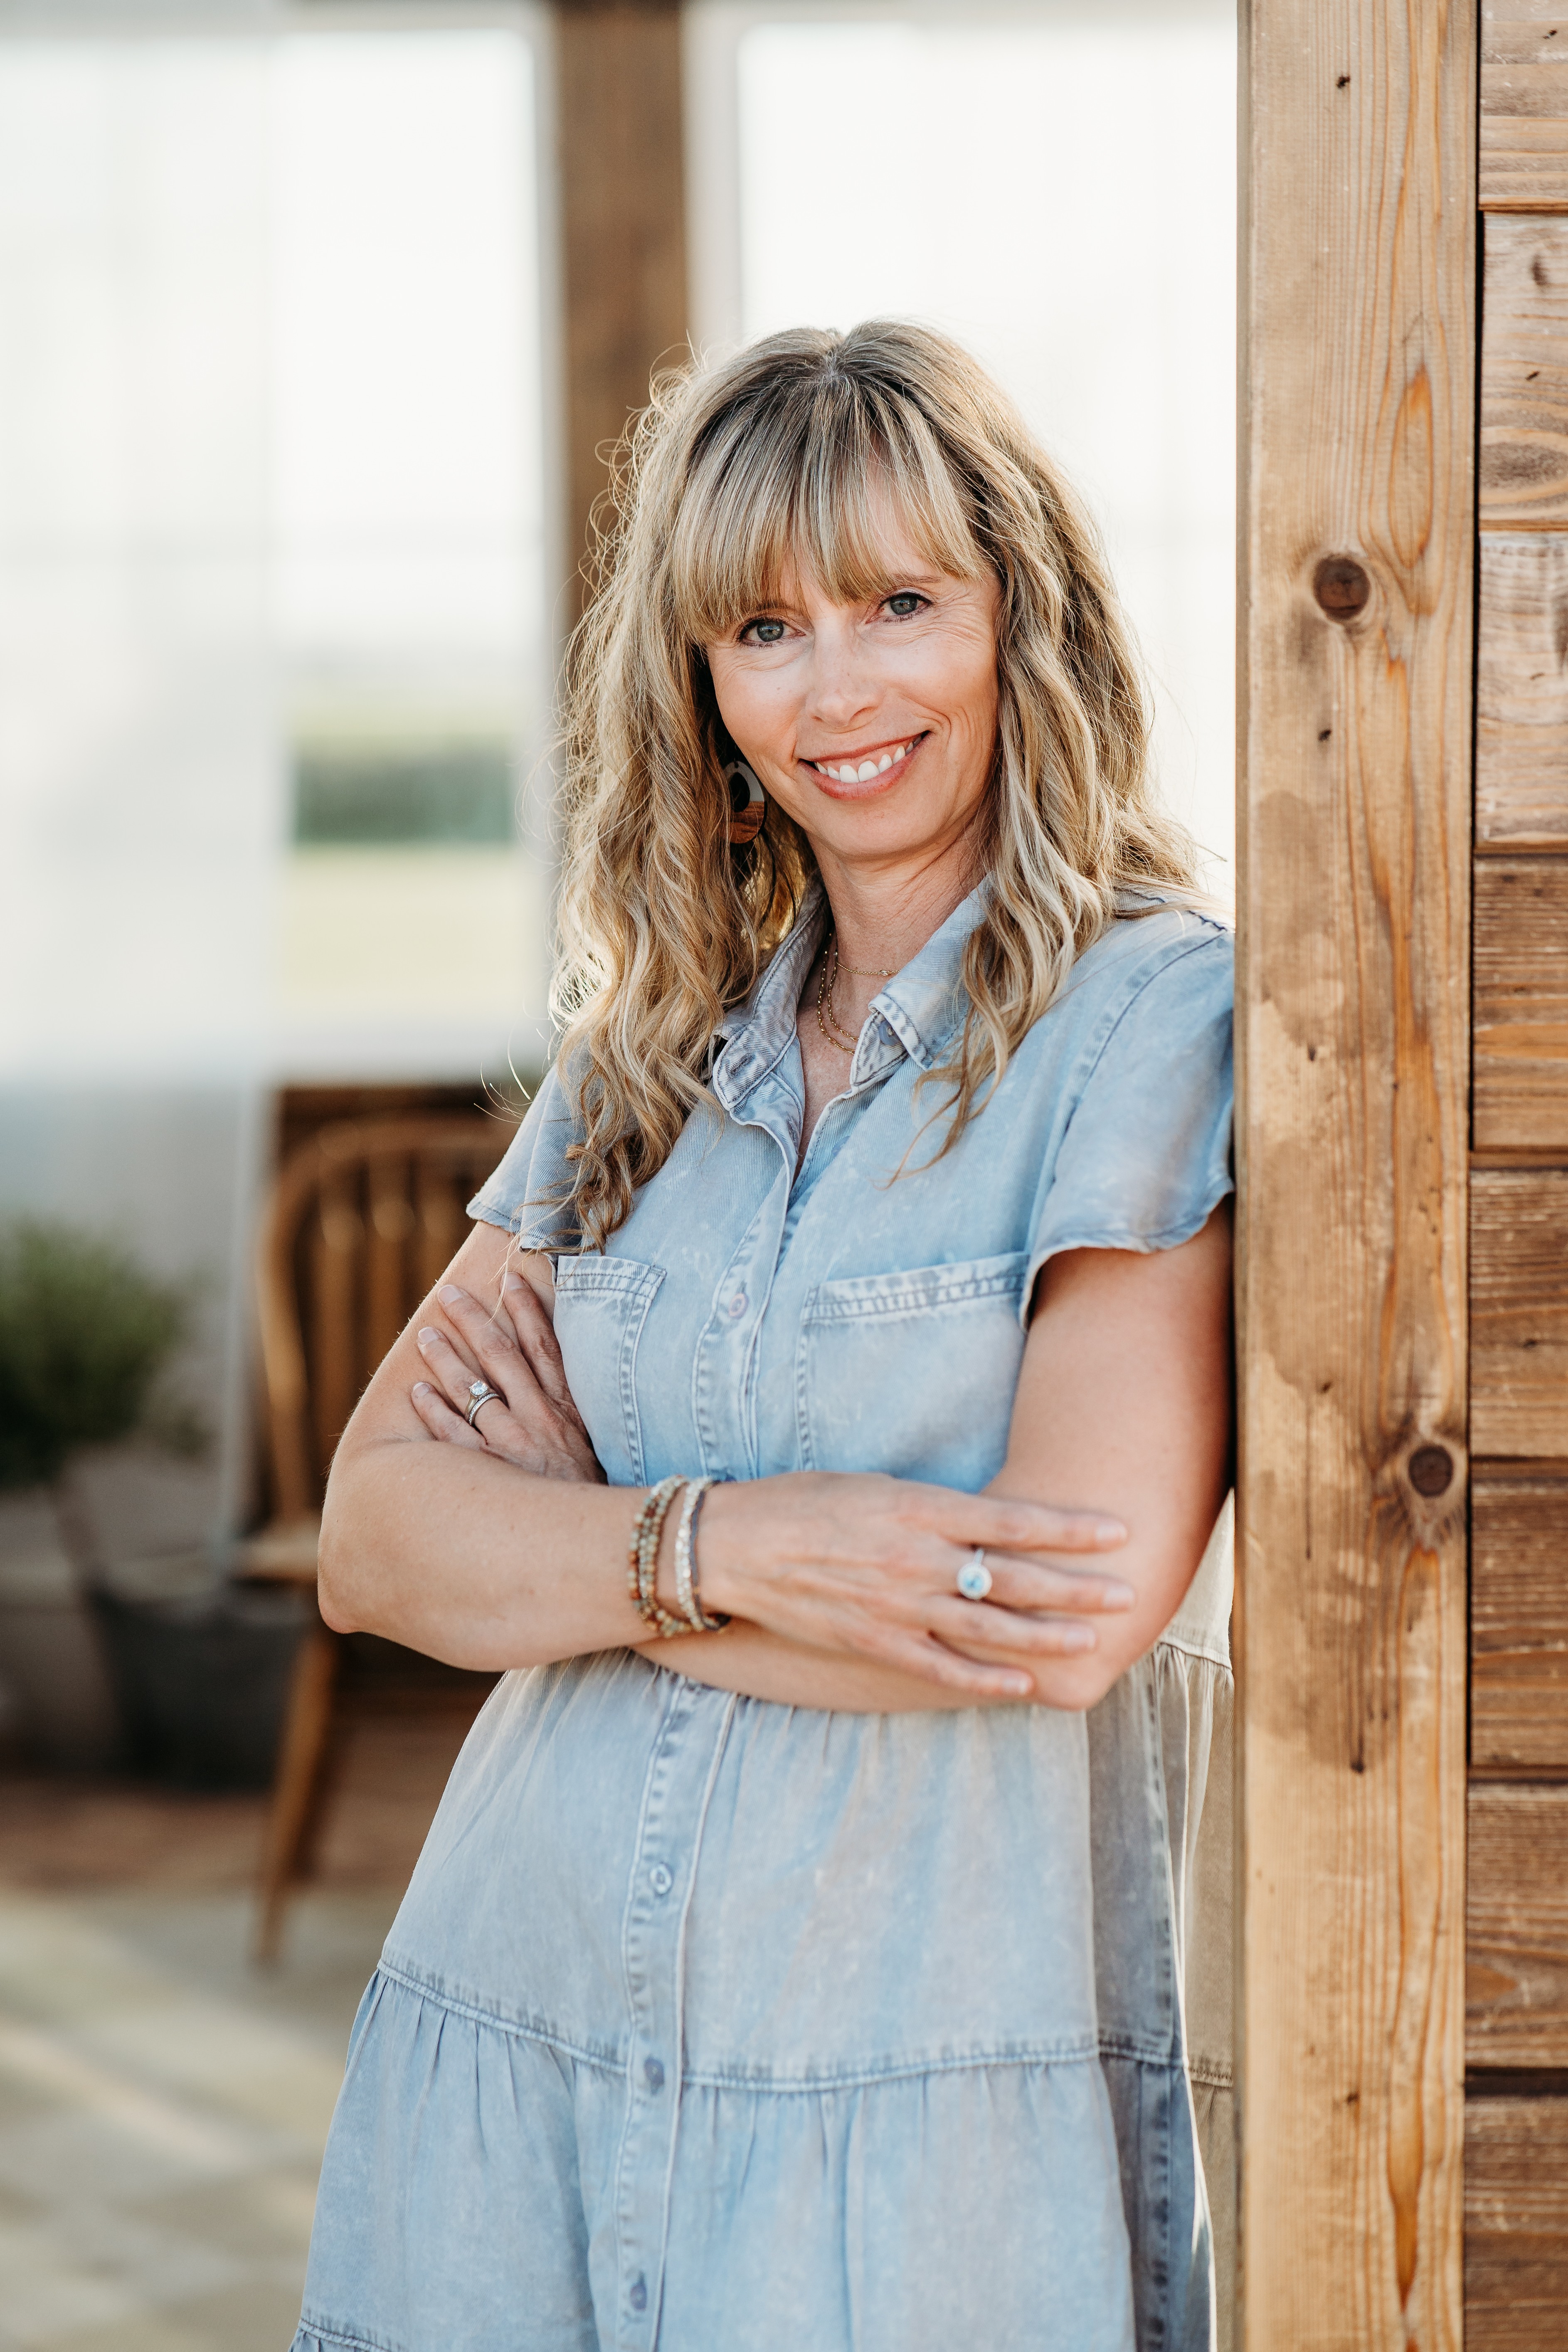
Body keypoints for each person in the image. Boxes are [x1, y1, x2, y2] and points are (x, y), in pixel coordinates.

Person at [289, 321, 1235, 2352]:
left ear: (1020, 617)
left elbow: (1056, 1609)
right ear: (701, 682)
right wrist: (737, 1543)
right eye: (766, 628)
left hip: (904, 2102)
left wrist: (561, 1564)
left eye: (900, 602)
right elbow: (372, 1541)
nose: (839, 689)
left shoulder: (1150, 1020)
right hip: (527, 2032)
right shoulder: (642, 1056)